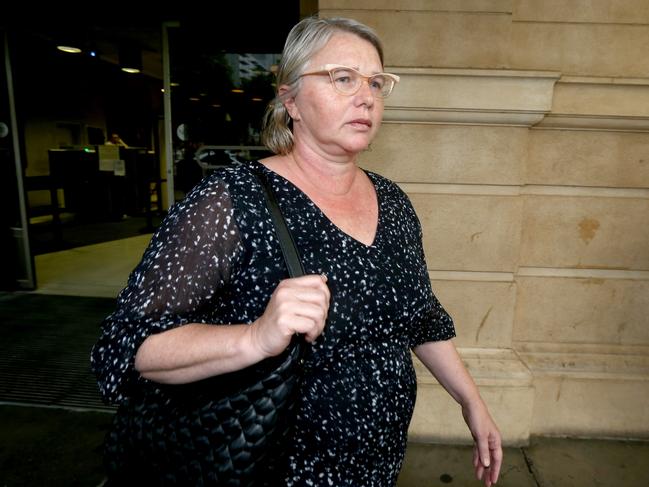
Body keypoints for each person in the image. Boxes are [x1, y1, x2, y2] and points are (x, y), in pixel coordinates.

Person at [91, 16, 502, 486]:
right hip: (269, 467)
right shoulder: (231, 199)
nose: (366, 96)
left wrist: (471, 400)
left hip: (376, 467)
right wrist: (255, 337)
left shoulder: (392, 202)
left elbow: (421, 317)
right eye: (342, 78)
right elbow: (126, 347)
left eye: (376, 82)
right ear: (291, 100)